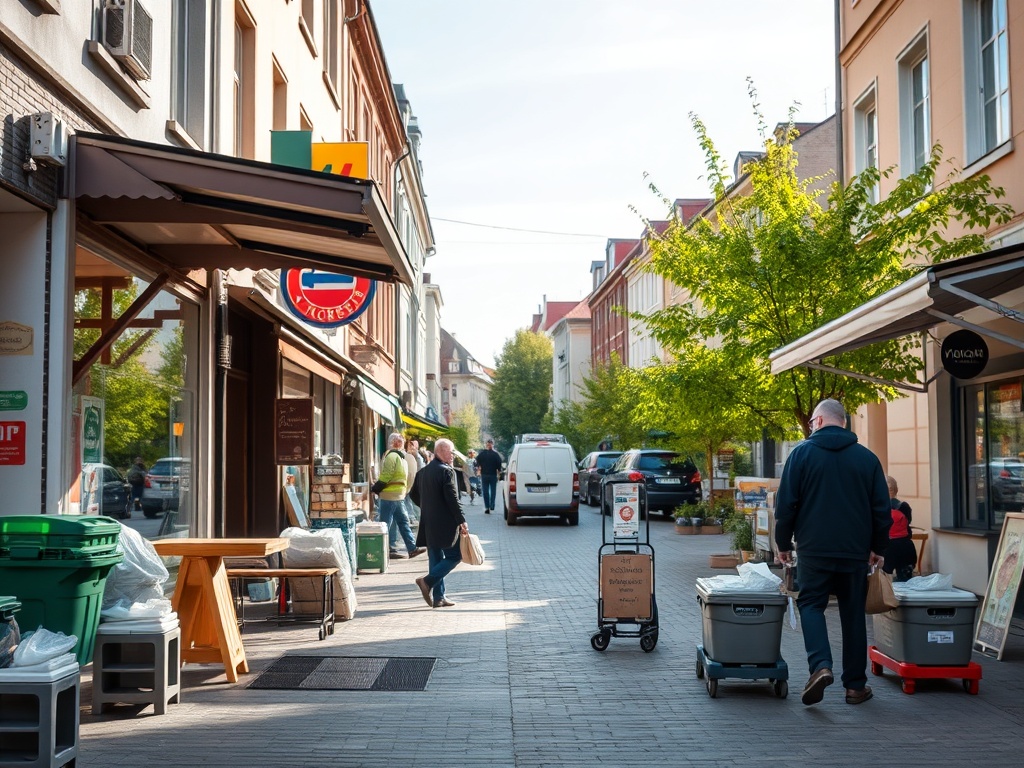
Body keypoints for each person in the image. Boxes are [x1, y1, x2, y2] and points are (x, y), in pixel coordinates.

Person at [774, 399, 891, 707]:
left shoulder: (800, 455)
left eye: (813, 422)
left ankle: (820, 666)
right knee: (853, 612)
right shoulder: (867, 459)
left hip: (814, 548)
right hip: (855, 551)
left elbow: (786, 506)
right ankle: (855, 686)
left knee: (811, 604)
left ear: (821, 421)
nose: (811, 426)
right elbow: (882, 509)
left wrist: (783, 543)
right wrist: (879, 547)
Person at [412, 438, 468, 608]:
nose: (452, 455)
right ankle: (427, 581)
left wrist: (428, 507)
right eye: (450, 452)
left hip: (429, 522)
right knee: (454, 556)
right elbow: (453, 499)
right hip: (445, 524)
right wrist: (462, 520)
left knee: (435, 558)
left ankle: (439, 597)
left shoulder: (423, 472)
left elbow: (413, 494)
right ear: (440, 452)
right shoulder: (446, 471)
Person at [376, 433, 425, 561]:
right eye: (402, 442)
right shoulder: (402, 458)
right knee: (403, 523)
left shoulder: (391, 456)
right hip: (399, 496)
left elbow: (386, 475)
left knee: (385, 524)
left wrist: (376, 488)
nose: (403, 444)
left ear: (392, 443)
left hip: (389, 496)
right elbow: (407, 476)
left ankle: (384, 550)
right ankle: (412, 548)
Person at [883, 475, 918, 582]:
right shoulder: (904, 506)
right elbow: (908, 522)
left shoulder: (878, 506)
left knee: (884, 581)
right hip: (905, 546)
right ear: (896, 489)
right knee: (906, 580)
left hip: (886, 548)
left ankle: (889, 598)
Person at [475, 439, 503, 514]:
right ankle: (491, 506)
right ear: (492, 445)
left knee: (486, 492)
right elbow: (499, 464)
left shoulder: (482, 453)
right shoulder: (495, 454)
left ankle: (487, 507)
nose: (489, 445)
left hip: (485, 475)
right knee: (492, 491)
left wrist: (478, 467)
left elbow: (477, 461)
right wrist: (499, 472)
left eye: (489, 444)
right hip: (491, 475)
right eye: (489, 444)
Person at [403, 438, 421, 525]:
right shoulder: (405, 456)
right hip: (406, 482)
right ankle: (410, 517)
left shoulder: (418, 457)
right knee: (408, 501)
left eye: (413, 446)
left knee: (412, 502)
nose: (410, 447)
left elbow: (421, 469)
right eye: (409, 445)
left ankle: (415, 518)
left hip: (415, 483)